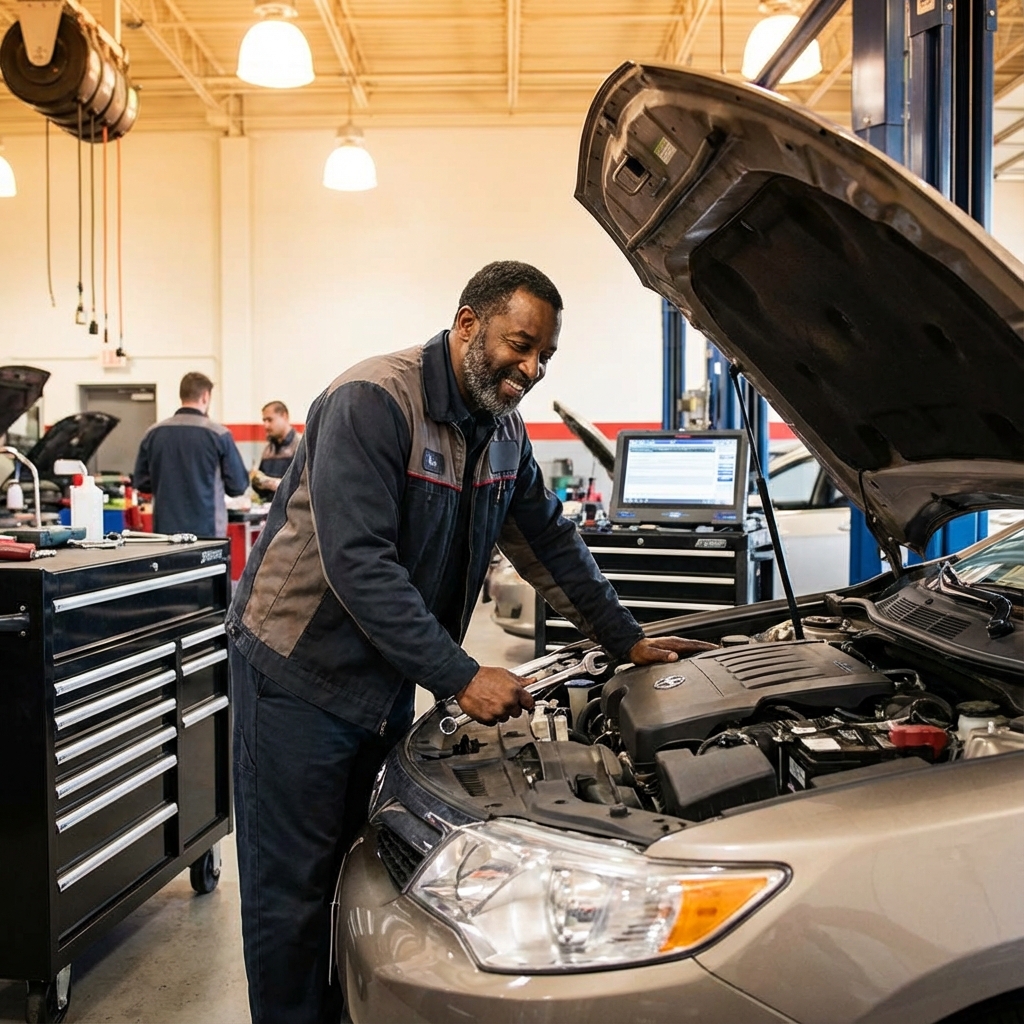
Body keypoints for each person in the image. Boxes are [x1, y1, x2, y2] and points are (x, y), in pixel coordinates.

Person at [226, 261, 713, 1024]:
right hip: (299, 675)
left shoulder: (502, 429)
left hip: (381, 676)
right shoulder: (373, 401)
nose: (531, 367)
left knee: (362, 876)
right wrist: (458, 675)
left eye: (544, 356)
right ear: (466, 325)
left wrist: (624, 639)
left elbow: (548, 542)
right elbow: (360, 564)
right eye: (520, 345)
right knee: (292, 895)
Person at [134, 372, 249, 538]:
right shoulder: (219, 434)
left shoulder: (153, 433)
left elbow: (143, 483)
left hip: (165, 535)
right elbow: (238, 485)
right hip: (207, 534)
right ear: (205, 396)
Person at [251, 400, 299, 501]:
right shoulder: (268, 450)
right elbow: (261, 489)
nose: (266, 425)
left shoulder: (301, 446)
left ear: (284, 416)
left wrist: (269, 483)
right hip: (270, 511)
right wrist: (255, 480)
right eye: (264, 420)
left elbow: (302, 487)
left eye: (270, 420)